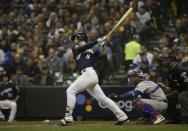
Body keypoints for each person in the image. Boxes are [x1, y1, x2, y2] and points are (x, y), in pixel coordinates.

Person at [58, 32, 129, 126]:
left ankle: (68, 118)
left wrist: (103, 47)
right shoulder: (75, 49)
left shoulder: (94, 49)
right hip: (87, 76)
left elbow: (104, 60)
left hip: (90, 74)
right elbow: (83, 48)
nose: (74, 40)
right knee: (103, 99)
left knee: (70, 91)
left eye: (75, 38)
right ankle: (122, 116)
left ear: (80, 38)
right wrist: (97, 41)